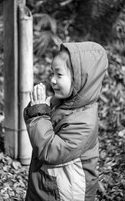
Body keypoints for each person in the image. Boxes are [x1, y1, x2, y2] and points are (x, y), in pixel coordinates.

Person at [23, 41, 108, 201]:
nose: (53, 80)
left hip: (65, 191)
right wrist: (36, 108)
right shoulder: (61, 101)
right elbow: (37, 125)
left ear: (79, 80)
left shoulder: (84, 121)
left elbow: (50, 151)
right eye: (52, 74)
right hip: (48, 181)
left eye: (59, 75)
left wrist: (38, 114)